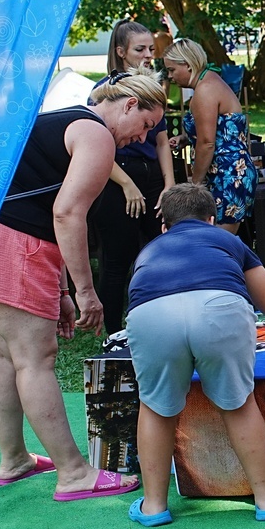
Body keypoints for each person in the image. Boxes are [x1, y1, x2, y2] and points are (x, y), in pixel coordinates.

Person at [0, 73, 168, 501]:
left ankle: (15, 460)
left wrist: (61, 291)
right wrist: (85, 292)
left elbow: (40, 204)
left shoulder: (64, 119)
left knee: (4, 353)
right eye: (146, 125)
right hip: (17, 247)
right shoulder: (98, 136)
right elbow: (66, 214)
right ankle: (74, 473)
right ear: (129, 105)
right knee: (35, 359)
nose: (143, 138)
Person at [125, 184, 265, 526]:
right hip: (219, 309)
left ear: (165, 226)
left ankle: (154, 506)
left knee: (155, 407)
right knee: (239, 404)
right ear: (212, 220)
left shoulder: (149, 250)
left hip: (152, 316)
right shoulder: (228, 240)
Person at [89, 21, 174, 331]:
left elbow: (162, 141)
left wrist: (169, 184)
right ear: (121, 52)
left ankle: (165, 321)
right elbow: (95, 144)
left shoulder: (154, 88)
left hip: (152, 178)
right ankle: (113, 331)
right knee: (117, 257)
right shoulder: (106, 91)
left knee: (165, 249)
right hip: (117, 177)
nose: (149, 55)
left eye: (151, 49)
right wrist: (126, 184)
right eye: (140, 49)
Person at [163, 38, 256, 233]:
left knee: (215, 241)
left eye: (172, 70)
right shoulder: (210, 81)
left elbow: (207, 143)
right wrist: (186, 138)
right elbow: (218, 129)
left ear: (188, 65)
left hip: (226, 174)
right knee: (214, 238)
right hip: (232, 171)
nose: (170, 76)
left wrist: (195, 185)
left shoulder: (205, 90)